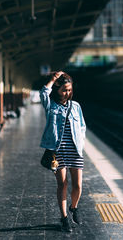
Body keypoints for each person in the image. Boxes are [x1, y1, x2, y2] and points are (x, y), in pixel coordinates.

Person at [39, 71, 86, 232]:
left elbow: (82, 127)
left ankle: (74, 207)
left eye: (69, 89)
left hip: (74, 150)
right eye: (64, 90)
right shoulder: (50, 105)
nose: (67, 93)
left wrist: (81, 144)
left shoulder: (76, 106)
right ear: (57, 89)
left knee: (78, 185)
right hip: (57, 151)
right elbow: (44, 92)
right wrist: (52, 79)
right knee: (62, 184)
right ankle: (64, 217)